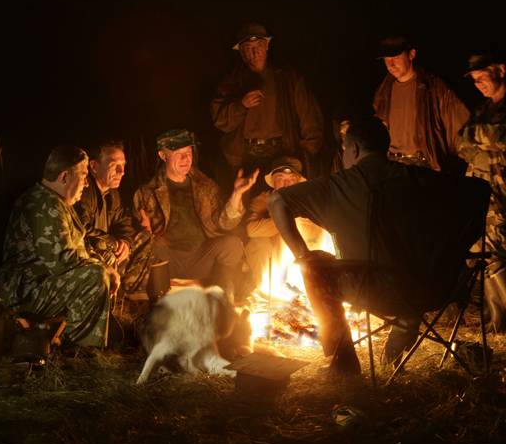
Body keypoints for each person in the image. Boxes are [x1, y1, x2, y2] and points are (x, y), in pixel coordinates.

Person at [268, 118, 420, 375]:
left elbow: (277, 200)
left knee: (314, 269)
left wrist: (302, 255)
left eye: (344, 149)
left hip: (370, 289)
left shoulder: (341, 184)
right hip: (427, 288)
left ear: (355, 150)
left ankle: (344, 365)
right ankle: (397, 346)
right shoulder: (417, 178)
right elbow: (478, 190)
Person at [0, 145, 116, 348]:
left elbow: (80, 248)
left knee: (105, 260)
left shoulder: (58, 202)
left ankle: (88, 337)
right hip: (26, 291)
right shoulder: (44, 204)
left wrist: (105, 262)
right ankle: (79, 348)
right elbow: (63, 262)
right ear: (64, 177)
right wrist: (103, 269)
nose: (87, 184)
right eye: (83, 175)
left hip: (45, 282)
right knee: (95, 275)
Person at [457, 52, 506, 342]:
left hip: (504, 191)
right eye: (475, 80)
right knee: (480, 252)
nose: (479, 84)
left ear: (500, 71)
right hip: (479, 189)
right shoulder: (481, 110)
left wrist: (482, 140)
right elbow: (461, 142)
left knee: (496, 255)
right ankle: (496, 318)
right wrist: (484, 140)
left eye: (483, 77)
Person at [133, 129, 258, 296]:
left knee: (232, 244)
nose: (186, 159)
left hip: (201, 257)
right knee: (152, 245)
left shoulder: (205, 186)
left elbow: (225, 223)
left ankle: (223, 296)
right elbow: (138, 235)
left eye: (189, 152)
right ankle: (157, 296)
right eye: (179, 153)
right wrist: (145, 232)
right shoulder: (147, 192)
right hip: (168, 259)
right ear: (163, 156)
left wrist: (237, 194)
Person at [211, 22, 325, 183]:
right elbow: (221, 121)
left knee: (281, 201)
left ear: (267, 46)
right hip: (246, 158)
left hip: (283, 155)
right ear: (241, 53)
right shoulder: (231, 83)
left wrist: (306, 154)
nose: (254, 51)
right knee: (250, 204)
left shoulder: (288, 78)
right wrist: (241, 105)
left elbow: (310, 118)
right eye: (248, 48)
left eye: (259, 45)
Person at [372, 35, 470, 173]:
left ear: (411, 54)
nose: (390, 64)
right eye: (386, 59)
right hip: (393, 166)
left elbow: (462, 129)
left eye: (395, 58)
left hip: (425, 167)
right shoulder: (383, 93)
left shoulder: (434, 88)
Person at [74, 140, 153, 300]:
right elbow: (82, 229)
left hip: (108, 249)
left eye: (123, 165)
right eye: (114, 165)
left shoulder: (112, 193)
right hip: (89, 253)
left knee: (145, 236)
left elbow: (123, 221)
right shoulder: (84, 191)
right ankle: (107, 297)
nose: (121, 171)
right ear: (94, 166)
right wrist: (114, 243)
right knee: (106, 247)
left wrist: (125, 241)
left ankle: (130, 290)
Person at [242, 156, 324, 300]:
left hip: (302, 257)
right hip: (272, 260)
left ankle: (305, 289)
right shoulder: (263, 200)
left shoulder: (309, 201)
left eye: (291, 178)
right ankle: (268, 292)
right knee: (257, 244)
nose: (286, 183)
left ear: (298, 181)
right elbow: (251, 229)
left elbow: (320, 232)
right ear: (273, 182)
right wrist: (284, 219)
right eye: (280, 177)